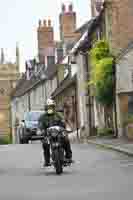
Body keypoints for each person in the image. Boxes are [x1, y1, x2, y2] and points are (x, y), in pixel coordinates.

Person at [38, 98, 72, 167]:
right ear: (46, 108)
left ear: (54, 107)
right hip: (48, 135)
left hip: (59, 133)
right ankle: (47, 160)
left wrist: (67, 127)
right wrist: (40, 131)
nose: (50, 108)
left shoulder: (58, 115)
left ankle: (68, 157)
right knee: (45, 144)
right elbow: (40, 125)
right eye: (48, 107)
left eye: (51, 106)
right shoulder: (42, 117)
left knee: (66, 140)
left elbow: (63, 122)